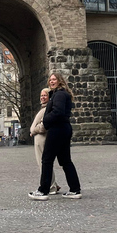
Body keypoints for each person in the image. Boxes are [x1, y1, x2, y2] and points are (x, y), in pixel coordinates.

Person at [29, 72, 82, 201]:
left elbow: (57, 112)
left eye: (54, 79)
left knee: (47, 160)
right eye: (50, 80)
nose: (52, 81)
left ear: (59, 81)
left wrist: (46, 121)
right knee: (65, 161)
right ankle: (75, 189)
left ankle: (43, 190)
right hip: (64, 129)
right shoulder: (62, 94)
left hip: (57, 129)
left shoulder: (58, 95)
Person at [30, 88, 60, 195]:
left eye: (45, 95)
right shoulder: (44, 108)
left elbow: (44, 126)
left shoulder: (48, 108)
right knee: (44, 164)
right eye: (41, 95)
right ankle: (53, 184)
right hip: (39, 139)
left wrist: (34, 130)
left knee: (44, 164)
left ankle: (51, 186)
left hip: (42, 138)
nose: (42, 97)